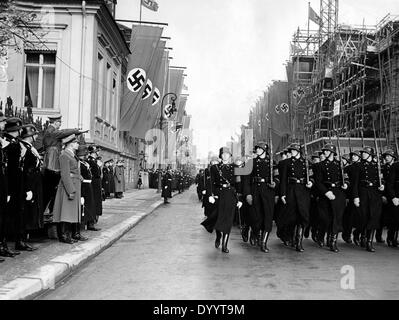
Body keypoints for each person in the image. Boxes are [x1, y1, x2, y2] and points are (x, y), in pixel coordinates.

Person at [42, 114, 84, 239]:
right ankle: (63, 232)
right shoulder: (51, 131)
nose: (60, 124)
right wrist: (76, 130)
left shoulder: (53, 134)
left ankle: (69, 232)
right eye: (59, 122)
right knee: (51, 188)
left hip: (54, 158)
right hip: (52, 159)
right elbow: (62, 133)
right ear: (54, 122)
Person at [243, 141, 277, 253]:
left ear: (264, 150)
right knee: (256, 216)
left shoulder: (273, 163)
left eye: (259, 148)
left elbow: (277, 178)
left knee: (267, 217)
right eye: (256, 148)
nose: (256, 150)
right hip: (255, 191)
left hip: (268, 192)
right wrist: (248, 193)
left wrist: (275, 183)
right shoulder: (250, 162)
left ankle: (263, 242)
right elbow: (246, 180)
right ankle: (254, 231)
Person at [313, 144, 348, 253]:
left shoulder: (340, 165)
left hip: (338, 192)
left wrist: (346, 184)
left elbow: (346, 178)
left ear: (332, 153)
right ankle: (320, 235)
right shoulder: (320, 165)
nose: (325, 153)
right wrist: (326, 192)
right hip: (326, 192)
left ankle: (333, 242)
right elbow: (318, 182)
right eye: (325, 151)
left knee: (336, 218)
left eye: (327, 151)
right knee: (325, 218)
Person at [279, 143, 313, 252]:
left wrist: (311, 183)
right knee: (291, 217)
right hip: (291, 190)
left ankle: (299, 241)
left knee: (303, 216)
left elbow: (312, 177)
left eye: (294, 150)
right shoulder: (287, 163)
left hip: (303, 191)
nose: (292, 152)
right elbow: (283, 180)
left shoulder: (306, 163)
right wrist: (283, 193)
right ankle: (290, 237)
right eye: (291, 150)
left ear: (299, 151)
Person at [208, 147, 242, 253]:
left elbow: (238, 183)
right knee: (218, 218)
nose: (225, 156)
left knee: (228, 220)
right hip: (219, 194)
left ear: (230, 155)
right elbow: (211, 183)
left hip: (231, 195)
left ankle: (224, 245)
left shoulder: (236, 167)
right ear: (220, 156)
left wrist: (240, 199)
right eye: (223, 154)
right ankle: (218, 235)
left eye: (227, 154)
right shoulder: (214, 168)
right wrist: (210, 195)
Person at [351, 146, 384, 252]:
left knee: (374, 217)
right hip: (363, 192)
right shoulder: (359, 166)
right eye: (363, 153)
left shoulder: (377, 166)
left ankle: (369, 242)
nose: (363, 154)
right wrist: (355, 196)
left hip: (375, 193)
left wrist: (382, 185)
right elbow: (355, 183)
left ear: (370, 155)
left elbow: (382, 180)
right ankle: (359, 233)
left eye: (365, 153)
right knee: (364, 217)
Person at [52, 134, 82, 244]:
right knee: (65, 212)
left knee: (70, 212)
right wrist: (71, 190)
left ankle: (68, 234)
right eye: (76, 143)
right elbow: (64, 174)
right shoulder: (64, 155)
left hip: (74, 184)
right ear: (70, 144)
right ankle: (63, 235)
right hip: (68, 186)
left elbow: (74, 171)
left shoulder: (71, 155)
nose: (78, 145)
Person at [20, 124, 43, 244]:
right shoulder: (23, 147)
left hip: (34, 183)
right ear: (30, 136)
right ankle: (22, 240)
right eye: (35, 134)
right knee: (26, 211)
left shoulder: (29, 148)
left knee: (31, 210)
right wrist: (28, 188)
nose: (37, 136)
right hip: (28, 184)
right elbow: (25, 170)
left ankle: (25, 238)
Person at [77, 144, 95, 238]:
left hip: (88, 185)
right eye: (84, 154)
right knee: (84, 205)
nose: (86, 156)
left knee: (90, 204)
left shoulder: (85, 163)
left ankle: (90, 223)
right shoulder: (79, 163)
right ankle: (83, 224)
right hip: (83, 185)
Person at [382, 149, 398, 247]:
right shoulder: (385, 167)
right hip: (390, 195)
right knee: (392, 218)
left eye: (389, 156)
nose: (387, 157)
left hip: (393, 193)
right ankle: (390, 238)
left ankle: (394, 238)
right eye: (386, 156)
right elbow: (387, 183)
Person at [87, 145, 103, 225]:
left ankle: (94, 219)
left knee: (97, 200)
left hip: (96, 183)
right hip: (93, 184)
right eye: (97, 151)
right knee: (95, 201)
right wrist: (98, 166)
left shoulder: (93, 160)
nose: (98, 152)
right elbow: (96, 174)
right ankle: (92, 220)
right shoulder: (91, 161)